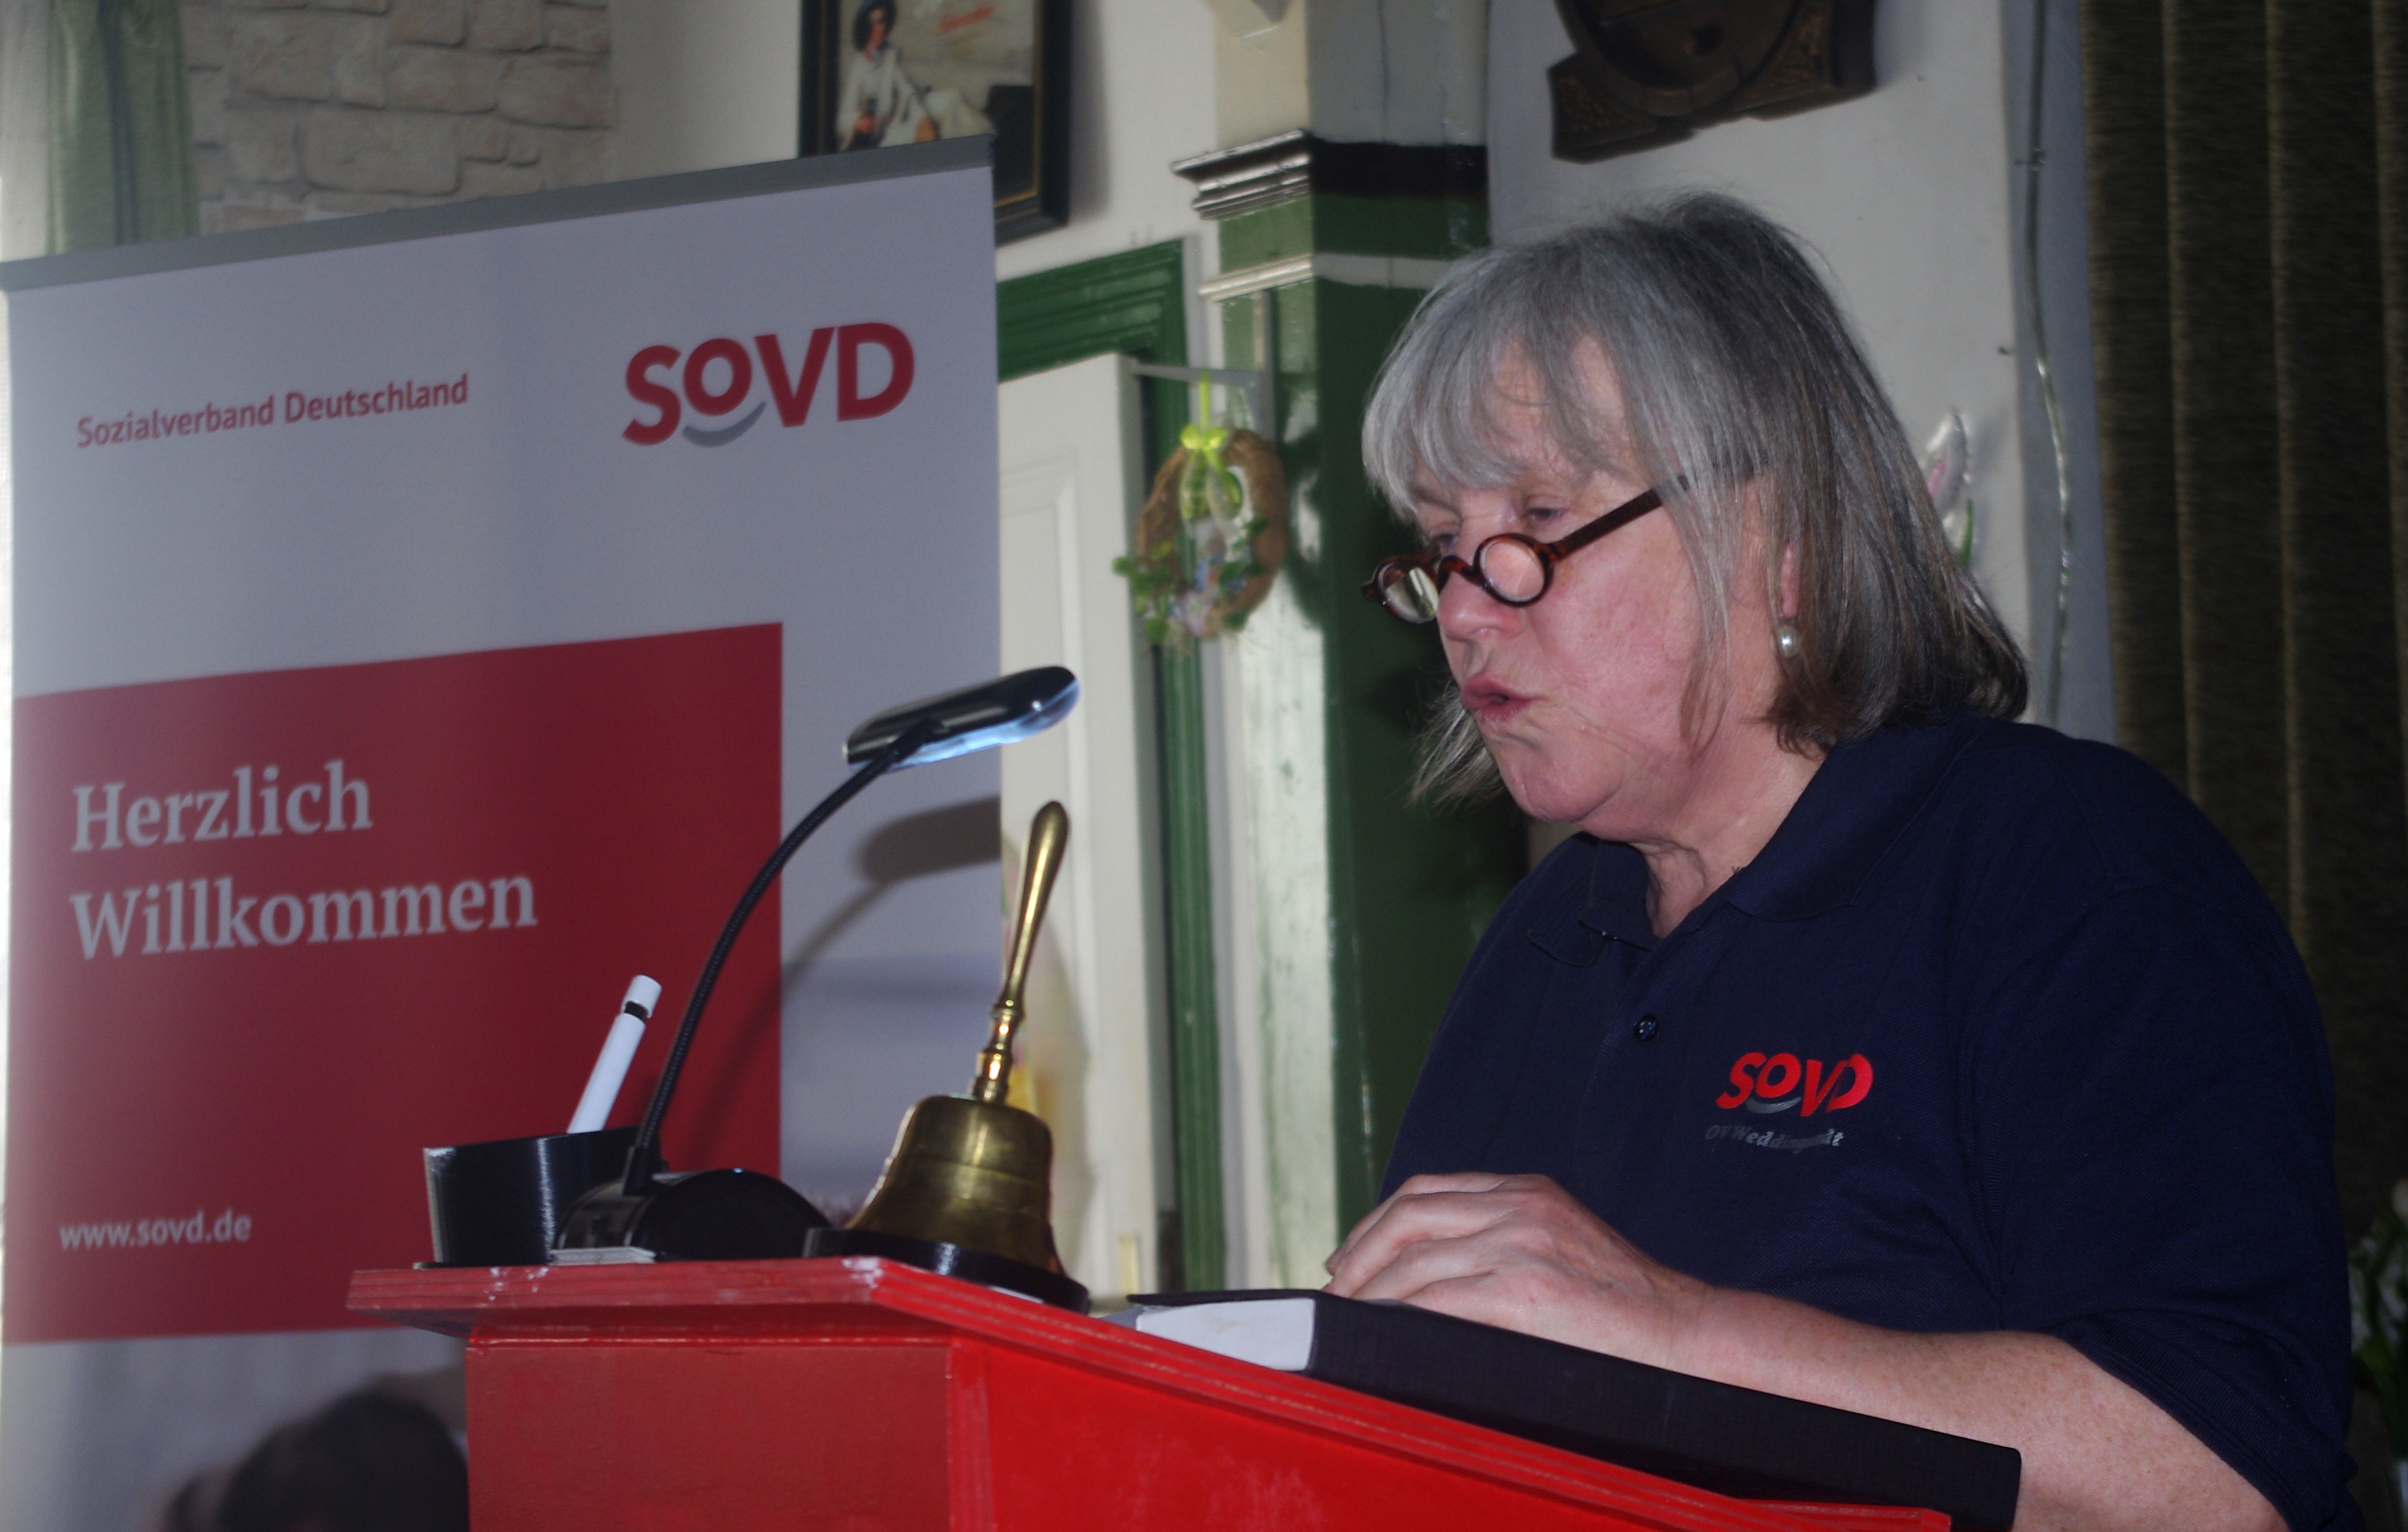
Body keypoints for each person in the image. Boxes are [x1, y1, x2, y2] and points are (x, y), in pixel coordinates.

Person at [1331, 194, 2358, 1532]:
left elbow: (2222, 1472)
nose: (1467, 610)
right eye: (1442, 546)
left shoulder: (2073, 875)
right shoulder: (1542, 942)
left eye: (1535, 518)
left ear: (1783, 544)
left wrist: (1674, 1331)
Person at [834, 0, 989, 151]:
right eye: (874, 24)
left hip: (906, 114)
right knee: (926, 134)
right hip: (885, 137)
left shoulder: (889, 54)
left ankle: (985, 139)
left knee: (952, 98)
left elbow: (907, 91)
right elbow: (843, 119)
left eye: (882, 22)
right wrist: (858, 121)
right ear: (865, 28)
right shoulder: (859, 68)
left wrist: (922, 117)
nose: (880, 28)